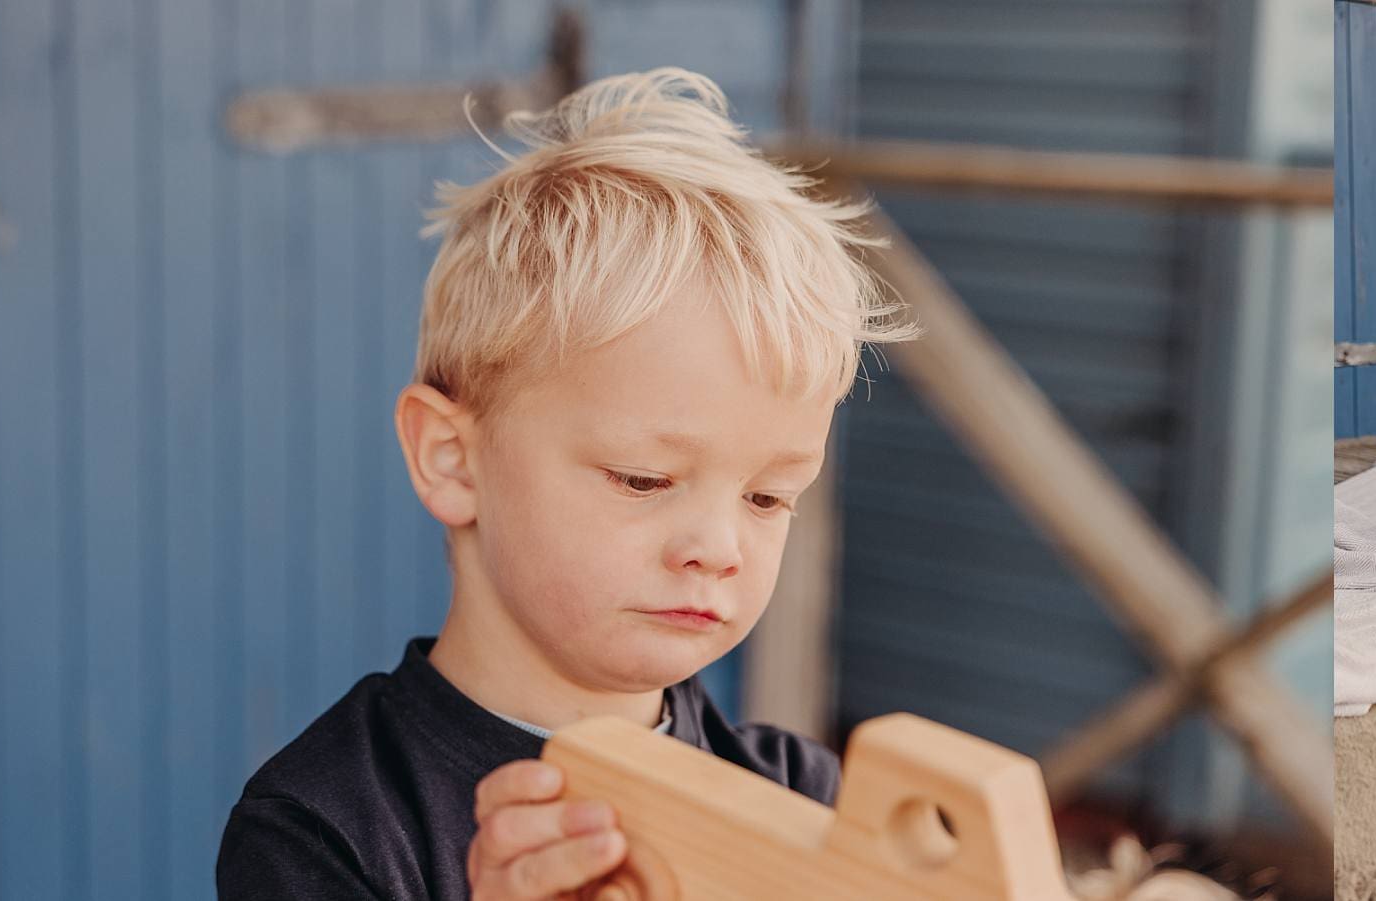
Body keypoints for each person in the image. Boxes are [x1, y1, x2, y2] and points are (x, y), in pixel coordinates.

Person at [217, 67, 917, 899]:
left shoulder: (800, 798)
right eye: (644, 478)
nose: (718, 549)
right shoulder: (324, 828)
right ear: (451, 457)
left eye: (767, 496)